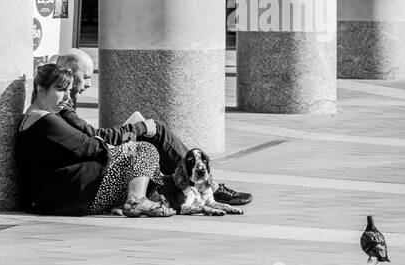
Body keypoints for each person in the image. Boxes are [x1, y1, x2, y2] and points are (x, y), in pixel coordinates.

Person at [46, 49, 252, 207]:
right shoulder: (61, 107)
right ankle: (209, 187)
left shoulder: (60, 105)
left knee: (154, 132)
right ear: (70, 75)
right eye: (87, 77)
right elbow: (95, 137)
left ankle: (204, 186)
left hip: (92, 165)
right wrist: (137, 128)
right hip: (94, 170)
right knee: (155, 133)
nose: (89, 84)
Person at [17, 62, 172, 217]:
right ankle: (137, 199)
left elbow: (86, 144)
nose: (67, 96)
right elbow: (91, 146)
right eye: (61, 89)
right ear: (40, 90)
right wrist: (125, 143)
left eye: (68, 90)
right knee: (143, 149)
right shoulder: (43, 118)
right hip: (64, 198)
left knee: (139, 162)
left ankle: (140, 198)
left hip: (60, 196)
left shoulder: (40, 116)